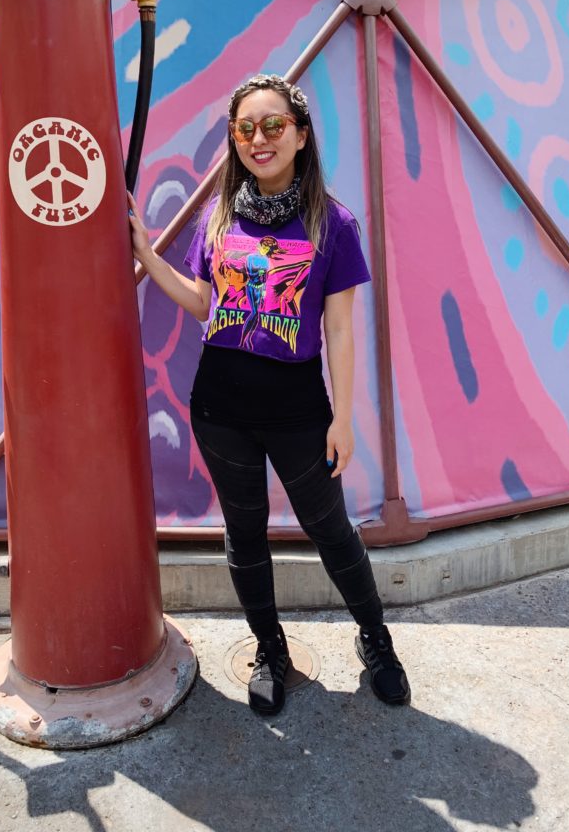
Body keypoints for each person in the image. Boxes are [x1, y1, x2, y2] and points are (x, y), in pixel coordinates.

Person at [128, 74, 410, 716]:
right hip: (220, 407)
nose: (260, 139)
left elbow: (338, 327)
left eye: (274, 125)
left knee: (330, 528)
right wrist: (147, 253)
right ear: (234, 139)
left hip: (297, 409)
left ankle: (377, 640)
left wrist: (344, 417)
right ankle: (270, 649)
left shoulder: (333, 223)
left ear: (301, 135)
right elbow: (206, 303)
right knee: (244, 533)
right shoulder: (219, 215)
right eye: (246, 128)